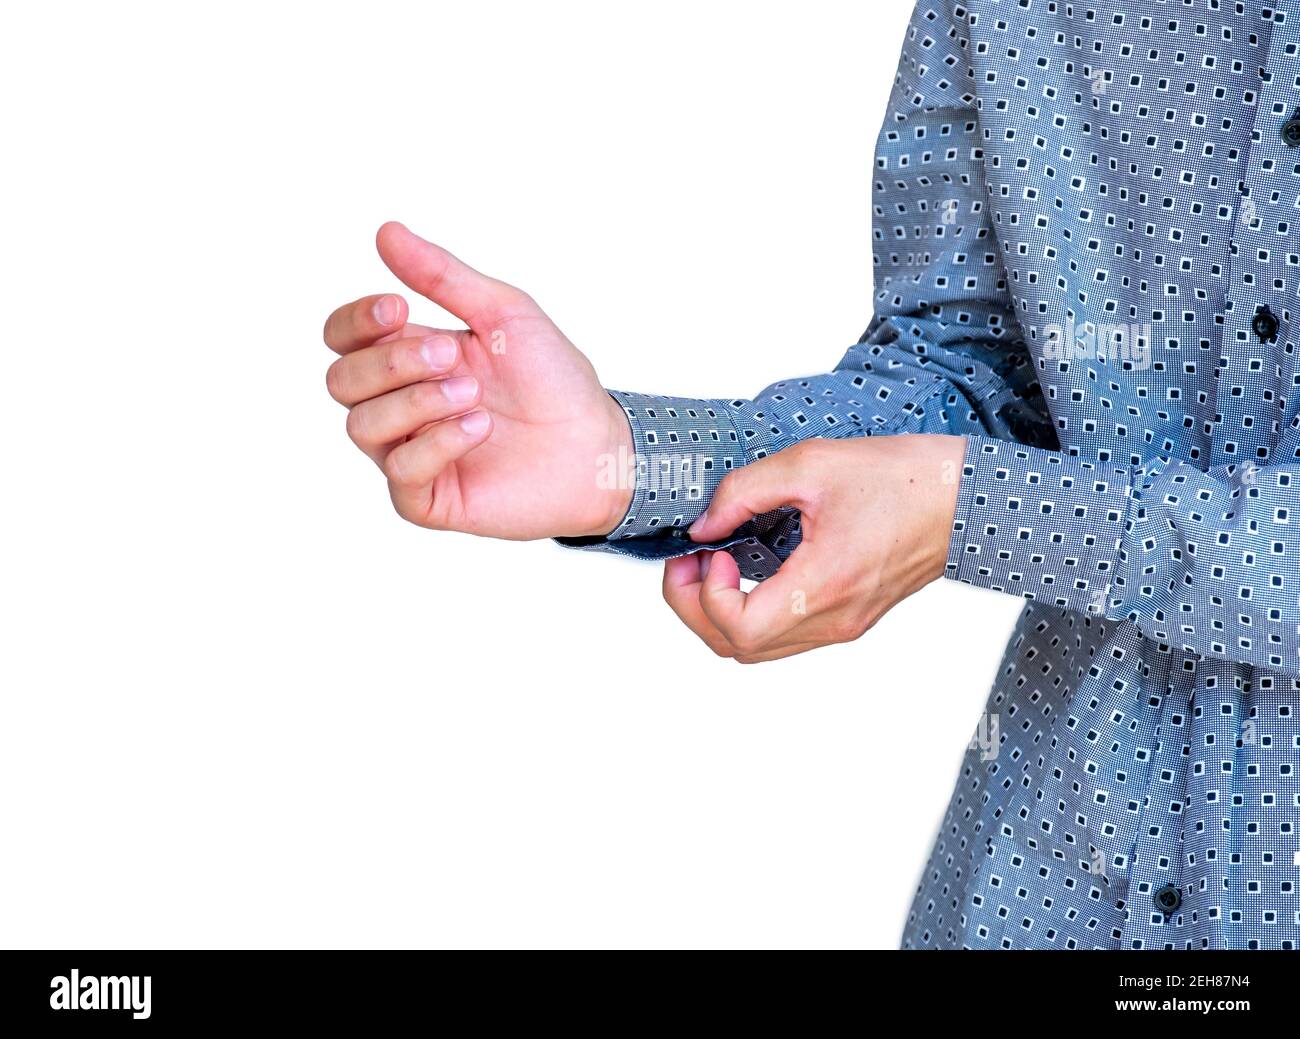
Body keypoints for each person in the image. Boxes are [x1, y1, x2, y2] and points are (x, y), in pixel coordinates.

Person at [322, 1, 1300, 949]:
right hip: (1047, 885)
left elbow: (969, 488)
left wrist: (976, 509)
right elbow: (974, 365)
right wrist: (632, 459)